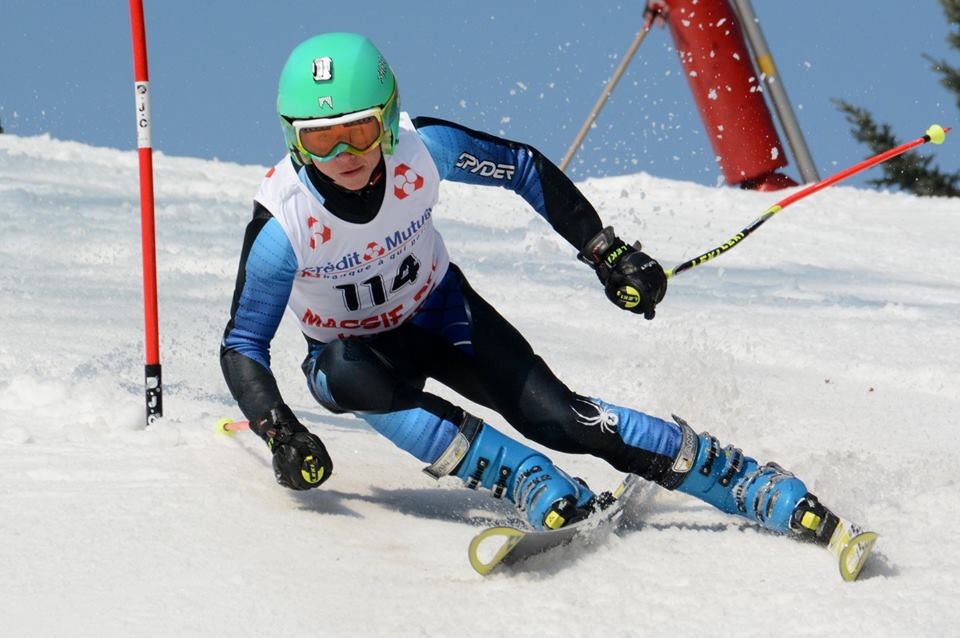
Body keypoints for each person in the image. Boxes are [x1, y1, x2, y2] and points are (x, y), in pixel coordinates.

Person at [220, 32, 848, 544]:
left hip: (444, 314)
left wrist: (605, 251)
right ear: (293, 140)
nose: (342, 154)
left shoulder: (425, 150)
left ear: (385, 119)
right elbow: (244, 344)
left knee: (561, 417)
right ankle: (525, 479)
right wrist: (279, 430)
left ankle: (740, 480)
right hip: (358, 355)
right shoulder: (283, 226)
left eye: (357, 132)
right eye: (319, 139)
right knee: (346, 376)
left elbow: (521, 167)